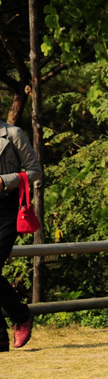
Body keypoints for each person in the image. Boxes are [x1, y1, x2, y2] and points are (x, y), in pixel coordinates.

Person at [0, 115, 42, 352]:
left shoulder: (12, 133)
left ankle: (21, 314)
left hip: (7, 209)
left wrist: (4, 181)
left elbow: (35, 171)